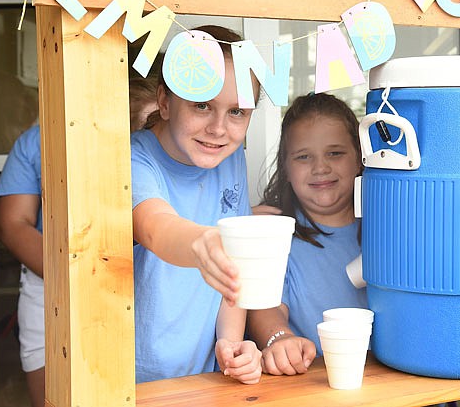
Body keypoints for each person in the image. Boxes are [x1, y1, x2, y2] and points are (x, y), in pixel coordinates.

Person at [0, 78, 158, 407]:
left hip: (145, 277)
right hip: (53, 282)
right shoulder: (38, 143)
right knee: (57, 392)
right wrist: (75, 275)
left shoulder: (160, 143)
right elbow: (13, 224)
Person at [130, 25, 262, 384]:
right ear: (165, 101)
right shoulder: (135, 159)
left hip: (203, 380)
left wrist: (232, 344)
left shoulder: (227, 157)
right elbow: (156, 227)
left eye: (237, 112)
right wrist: (203, 242)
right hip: (133, 379)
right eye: (202, 105)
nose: (219, 128)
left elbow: (232, 275)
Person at [247, 92, 367, 376]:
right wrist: (279, 338)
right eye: (303, 157)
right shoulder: (277, 234)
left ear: (359, 160)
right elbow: (266, 307)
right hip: (312, 383)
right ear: (286, 168)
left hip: (390, 381)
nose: (320, 168)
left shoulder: (390, 227)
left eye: (335, 153)